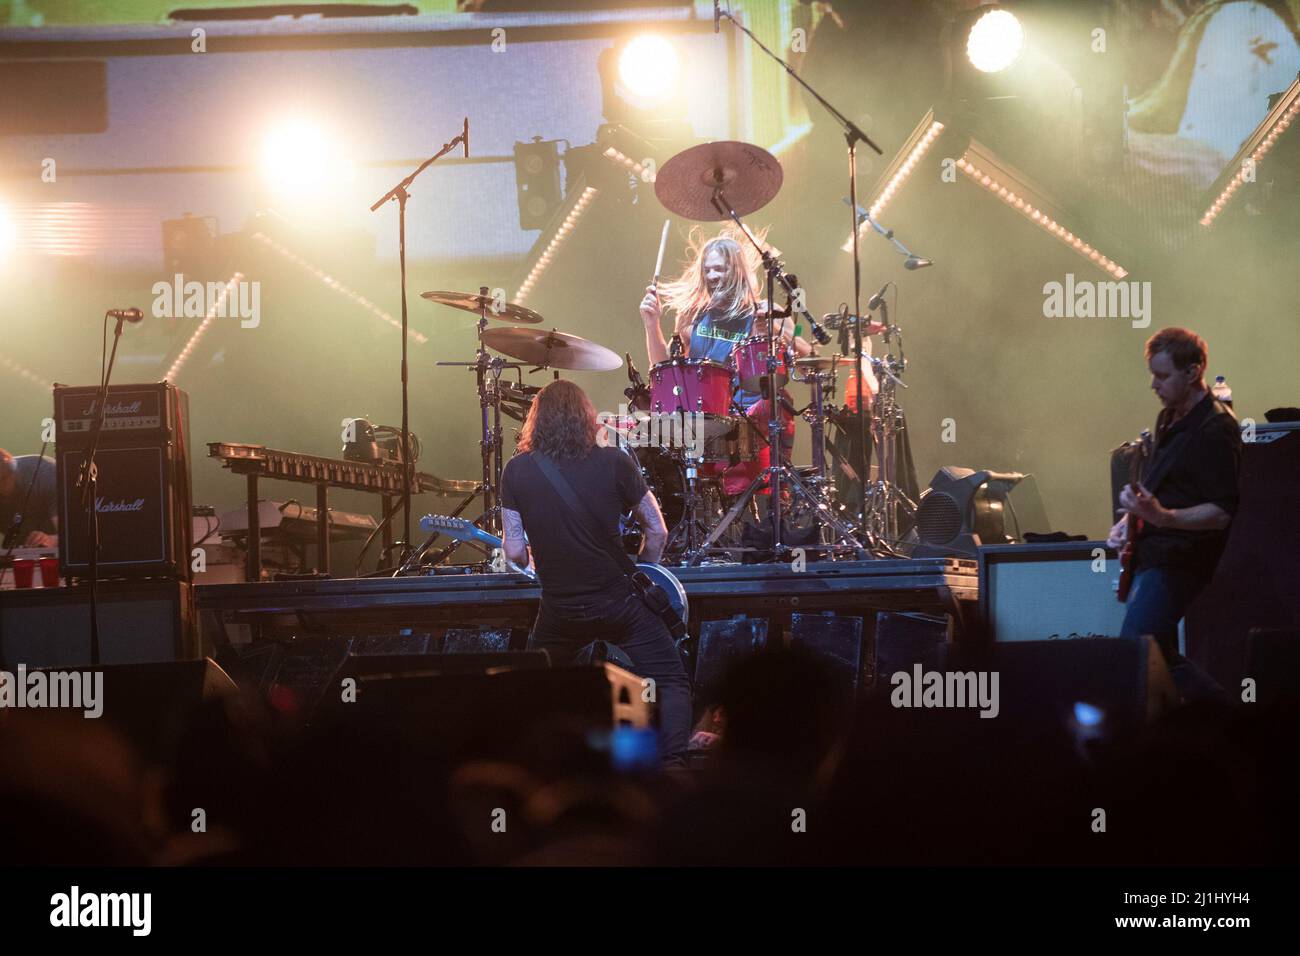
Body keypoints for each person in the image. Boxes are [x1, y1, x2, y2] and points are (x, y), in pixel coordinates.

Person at [499, 380, 692, 767]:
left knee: (533, 684)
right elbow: (658, 530)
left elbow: (515, 551)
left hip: (560, 610)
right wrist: (646, 569)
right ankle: (674, 768)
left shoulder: (516, 471)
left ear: (536, 422)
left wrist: (539, 562)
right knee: (670, 680)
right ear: (587, 418)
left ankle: (538, 768)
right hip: (619, 602)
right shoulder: (615, 462)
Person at [1107, 327, 1241, 700]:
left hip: (1180, 560)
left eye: (1162, 375)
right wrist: (1128, 519)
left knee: (1135, 652)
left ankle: (1229, 720)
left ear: (1193, 370)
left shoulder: (1217, 428)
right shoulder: (1168, 418)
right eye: (1153, 374)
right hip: (1153, 553)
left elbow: (1220, 512)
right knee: (1158, 658)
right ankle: (1204, 734)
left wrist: (1163, 516)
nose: (1154, 384)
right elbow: (1158, 485)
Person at [638, 230, 813, 496]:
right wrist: (651, 325)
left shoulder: (767, 310)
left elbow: (808, 356)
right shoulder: (692, 315)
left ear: (737, 270)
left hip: (751, 422)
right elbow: (666, 375)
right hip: (704, 423)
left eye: (718, 269)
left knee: (776, 404)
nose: (711, 277)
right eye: (707, 270)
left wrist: (778, 333)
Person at [0, 449, 58, 549]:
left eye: (4, 479)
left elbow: (73, 534)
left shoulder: (47, 474)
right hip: (17, 553)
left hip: (55, 556)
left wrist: (51, 540)